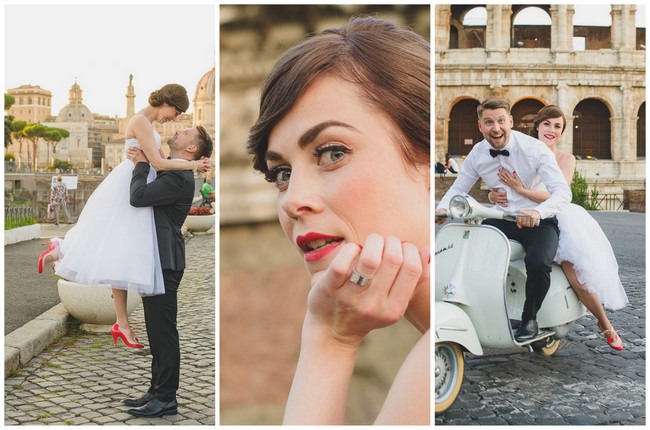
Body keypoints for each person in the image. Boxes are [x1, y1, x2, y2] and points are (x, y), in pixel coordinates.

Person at [247, 16, 430, 425]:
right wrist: (329, 333)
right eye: (281, 174)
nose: (293, 201)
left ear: (425, 155)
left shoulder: (438, 356)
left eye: (332, 153)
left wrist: (328, 340)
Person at [37, 84, 210, 348]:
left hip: (141, 181)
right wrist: (194, 164)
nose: (174, 119)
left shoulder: (148, 125)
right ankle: (62, 248)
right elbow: (161, 164)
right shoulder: (140, 121)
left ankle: (121, 322)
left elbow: (161, 165)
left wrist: (191, 166)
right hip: (132, 184)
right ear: (167, 102)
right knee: (114, 242)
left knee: (120, 252)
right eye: (176, 112)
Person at [489, 105, 627, 350]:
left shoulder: (566, 159)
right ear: (538, 126)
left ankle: (605, 324)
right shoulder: (520, 150)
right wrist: (494, 196)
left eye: (557, 127)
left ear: (562, 132)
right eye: (547, 124)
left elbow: (558, 195)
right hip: (519, 216)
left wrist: (521, 190)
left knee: (578, 278)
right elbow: (501, 186)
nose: (551, 130)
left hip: (559, 218)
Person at [435, 97, 571, 342]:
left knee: (538, 262)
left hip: (538, 221)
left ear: (510, 122)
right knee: (468, 248)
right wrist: (442, 209)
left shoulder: (535, 149)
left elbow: (563, 193)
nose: (495, 128)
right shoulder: (478, 152)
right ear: (480, 126)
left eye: (500, 121)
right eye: (488, 122)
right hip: (501, 216)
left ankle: (530, 318)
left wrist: (537, 212)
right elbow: (459, 188)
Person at [122, 125, 213, 418]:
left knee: (163, 332)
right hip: (157, 259)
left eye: (186, 132)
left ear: (191, 150)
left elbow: (138, 197)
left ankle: (166, 398)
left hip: (165, 260)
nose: (179, 130)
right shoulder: (173, 169)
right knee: (156, 329)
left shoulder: (178, 175)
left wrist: (140, 165)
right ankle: (156, 389)